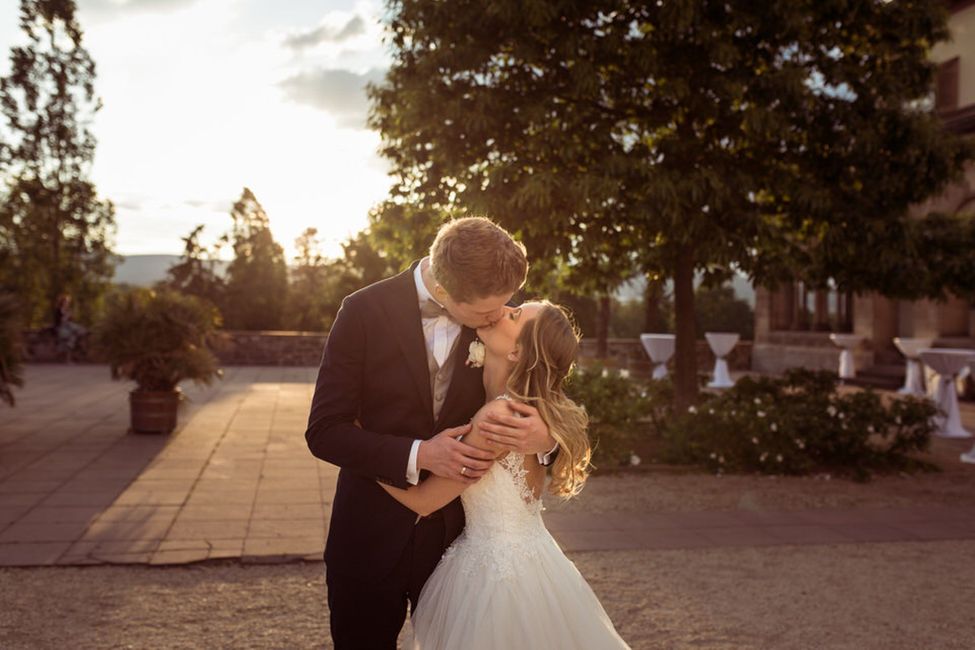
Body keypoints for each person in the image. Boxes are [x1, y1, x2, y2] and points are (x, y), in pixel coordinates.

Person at [304, 217, 560, 649]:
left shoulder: (495, 330)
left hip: (458, 549)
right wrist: (419, 455)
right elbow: (325, 430)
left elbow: (544, 387)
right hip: (367, 537)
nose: (498, 317)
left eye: (506, 305)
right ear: (444, 290)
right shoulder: (363, 311)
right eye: (486, 311)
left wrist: (546, 440)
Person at [379, 301, 631, 649]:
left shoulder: (498, 418)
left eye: (515, 315)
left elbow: (425, 501)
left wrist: (366, 459)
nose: (504, 308)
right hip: (530, 558)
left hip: (496, 576)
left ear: (517, 351)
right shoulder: (511, 406)